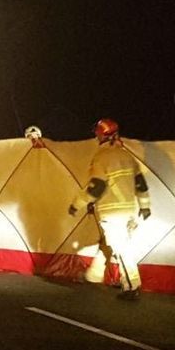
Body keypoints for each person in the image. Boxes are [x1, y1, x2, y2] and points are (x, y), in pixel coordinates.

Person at [68, 118, 151, 300]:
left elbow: (96, 187)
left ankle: (131, 286)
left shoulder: (102, 157)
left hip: (112, 212)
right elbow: (141, 184)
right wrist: (145, 206)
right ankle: (94, 276)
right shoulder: (127, 156)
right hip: (130, 210)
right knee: (110, 244)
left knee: (121, 248)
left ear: (101, 135)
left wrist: (77, 204)